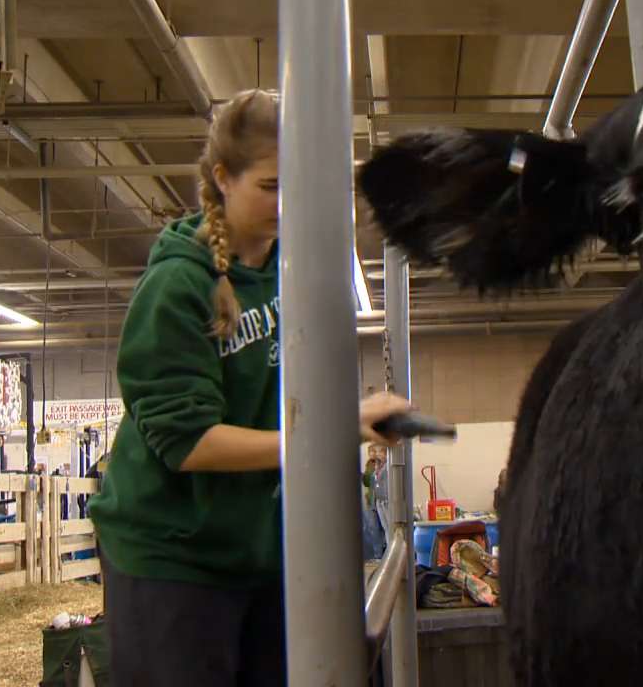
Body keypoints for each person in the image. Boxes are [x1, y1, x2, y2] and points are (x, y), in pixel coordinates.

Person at [87, 88, 414, 687]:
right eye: (270, 186)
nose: (287, 204)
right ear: (223, 178)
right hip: (173, 554)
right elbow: (188, 444)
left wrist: (352, 418)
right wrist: (325, 433)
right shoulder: (178, 287)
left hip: (257, 547)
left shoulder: (296, 267)